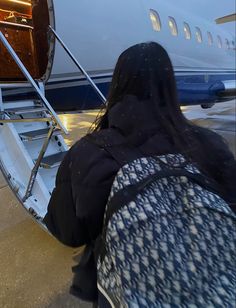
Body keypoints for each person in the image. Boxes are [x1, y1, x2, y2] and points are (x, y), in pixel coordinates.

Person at [44, 42, 236, 305]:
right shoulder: (211, 146)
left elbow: (68, 232)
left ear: (117, 85)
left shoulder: (87, 154)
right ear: (169, 86)